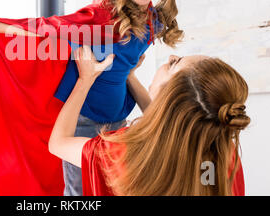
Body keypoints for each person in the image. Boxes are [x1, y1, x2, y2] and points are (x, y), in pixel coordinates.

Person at [0, 0, 184, 195]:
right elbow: (49, 29)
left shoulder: (153, 21)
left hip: (119, 121)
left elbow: (124, 71)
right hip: (84, 120)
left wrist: (156, 115)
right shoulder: (103, 16)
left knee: (116, 189)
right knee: (80, 192)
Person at [49, 46, 250, 196]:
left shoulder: (123, 154)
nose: (171, 56)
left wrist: (85, 80)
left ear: (168, 97)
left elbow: (58, 143)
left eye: (174, 63)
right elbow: (171, 122)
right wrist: (130, 76)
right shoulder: (222, 152)